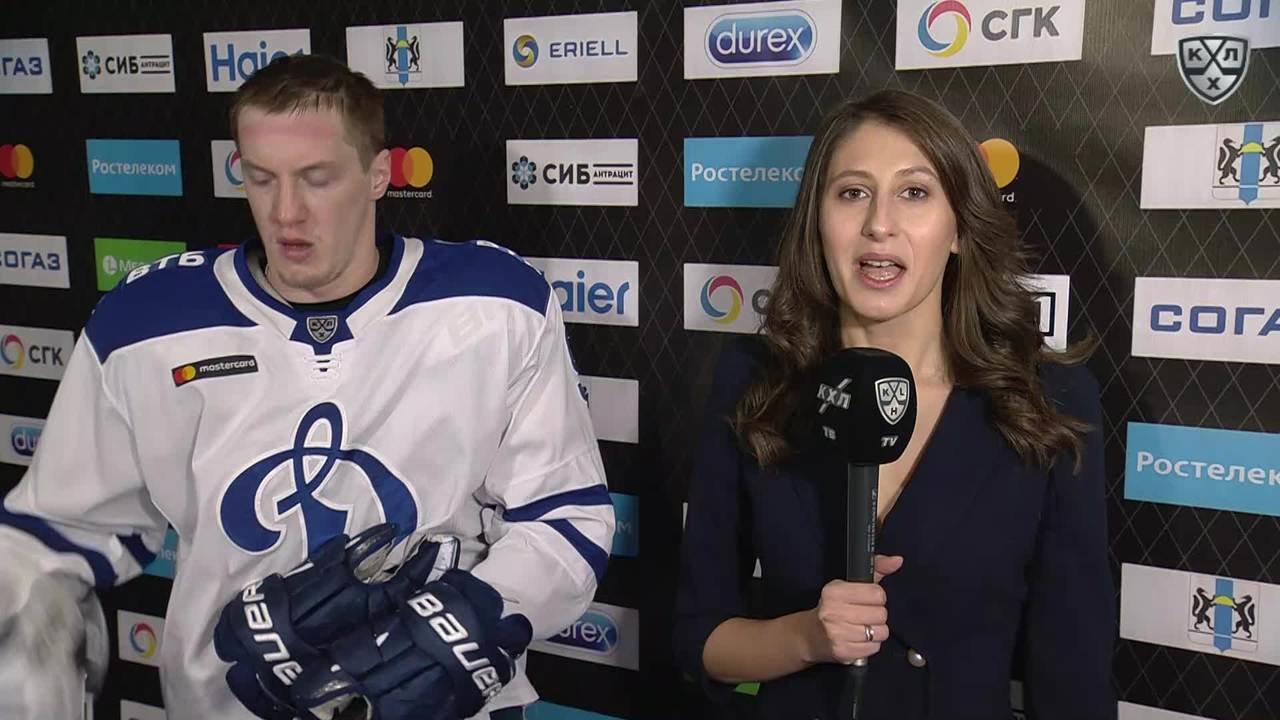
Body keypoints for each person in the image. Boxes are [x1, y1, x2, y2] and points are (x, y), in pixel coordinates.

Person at [0, 54, 614, 720]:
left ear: (378, 174)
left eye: (317, 179)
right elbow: (57, 530)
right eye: (261, 178)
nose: (285, 212)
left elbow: (564, 518)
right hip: (227, 705)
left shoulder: (498, 304)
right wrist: (32, 615)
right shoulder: (145, 323)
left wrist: (478, 617)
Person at [674, 89, 1115, 719]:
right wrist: (805, 638)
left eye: (914, 192)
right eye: (853, 192)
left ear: (959, 228)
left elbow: (1074, 672)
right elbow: (701, 640)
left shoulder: (1049, 400)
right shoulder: (754, 383)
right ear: (816, 221)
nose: (879, 223)